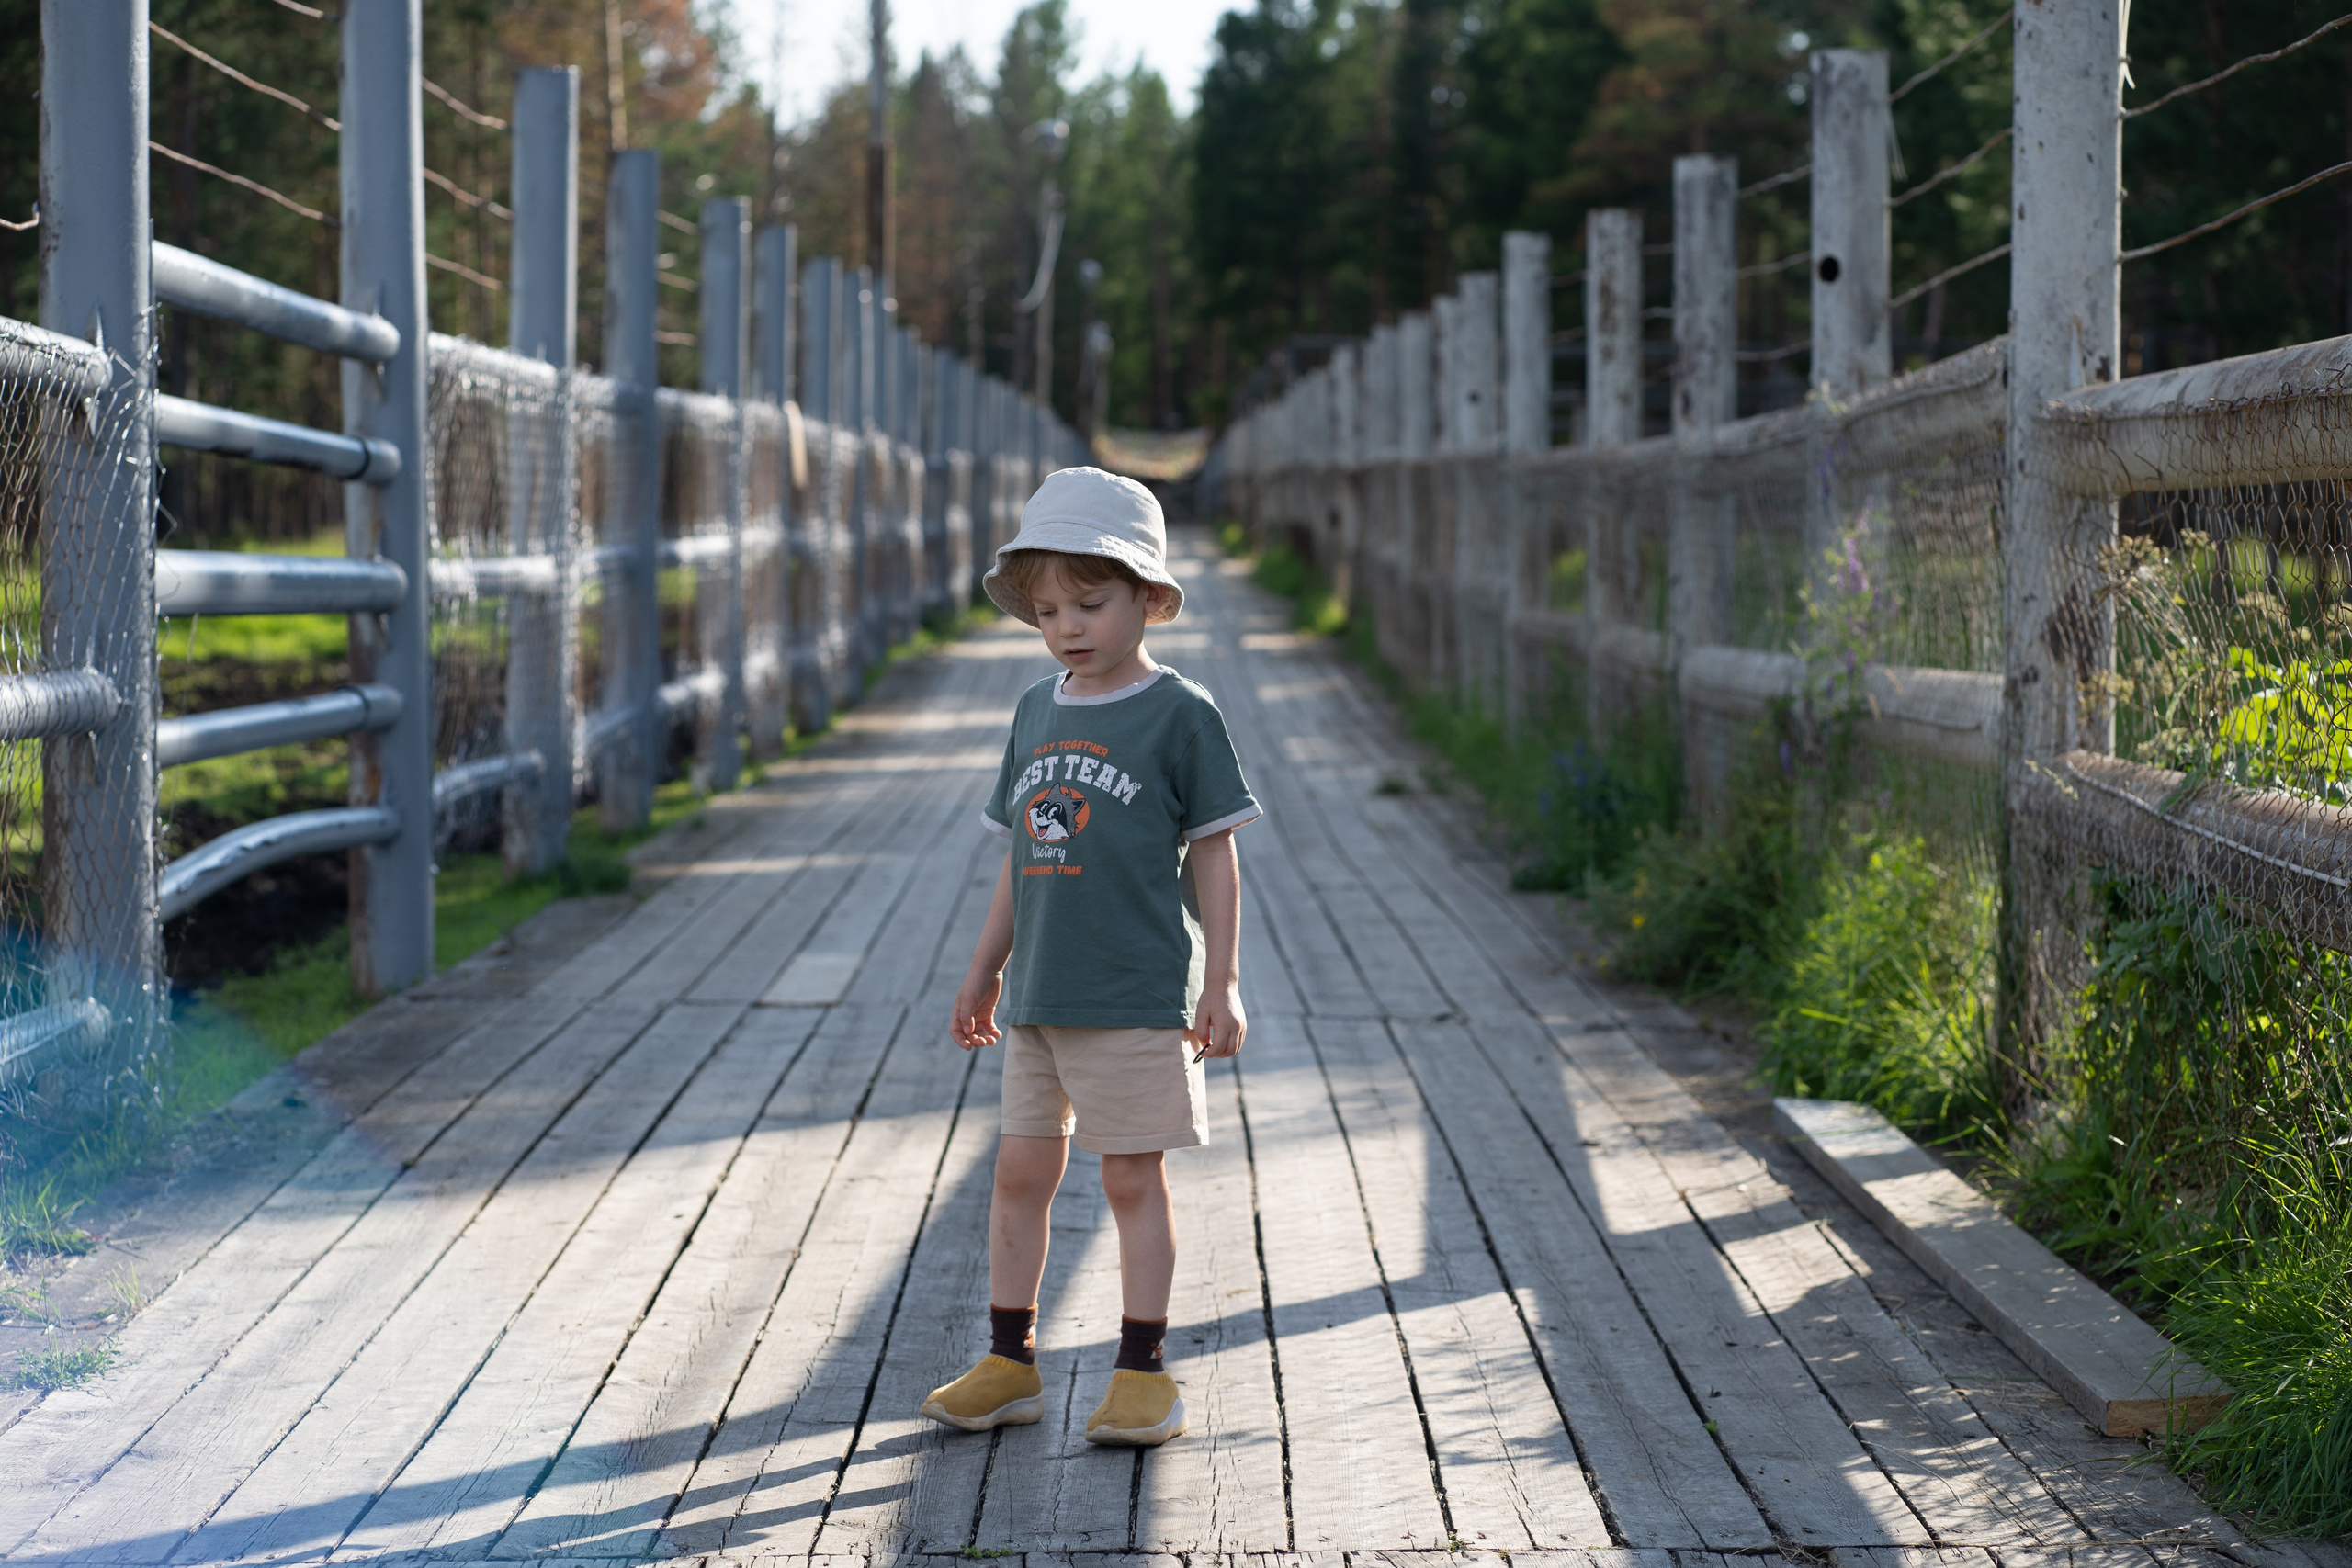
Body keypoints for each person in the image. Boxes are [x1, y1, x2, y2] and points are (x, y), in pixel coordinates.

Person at [924, 467, 1260, 1449]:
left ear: (1149, 599)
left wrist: (1223, 980)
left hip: (1132, 991)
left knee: (1127, 1180)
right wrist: (984, 967)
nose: (1068, 626)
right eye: (1047, 610)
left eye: (1092, 602)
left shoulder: (1180, 714)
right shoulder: (1036, 710)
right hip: (1038, 995)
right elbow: (1018, 858)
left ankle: (1142, 1372)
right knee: (1019, 1173)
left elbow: (1215, 852)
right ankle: (1009, 1359)